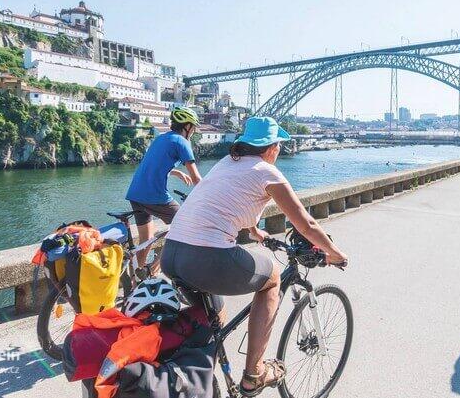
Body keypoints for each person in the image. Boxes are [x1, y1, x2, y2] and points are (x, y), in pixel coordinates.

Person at [160, 117, 349, 396]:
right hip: (205, 257)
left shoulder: (226, 164)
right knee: (272, 279)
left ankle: (198, 376)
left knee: (215, 318)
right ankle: (254, 374)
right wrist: (335, 254)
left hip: (171, 253)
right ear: (271, 147)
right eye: (279, 146)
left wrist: (256, 233)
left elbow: (229, 200)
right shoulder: (267, 172)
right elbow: (305, 224)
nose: (280, 151)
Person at [125, 106, 203, 266]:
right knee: (184, 225)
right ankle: (154, 268)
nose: (194, 131)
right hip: (154, 196)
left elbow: (154, 166)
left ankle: (140, 272)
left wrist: (176, 173)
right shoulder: (182, 141)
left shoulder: (162, 138)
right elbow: (197, 179)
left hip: (135, 194)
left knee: (146, 238)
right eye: (193, 127)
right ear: (187, 127)